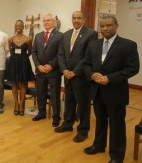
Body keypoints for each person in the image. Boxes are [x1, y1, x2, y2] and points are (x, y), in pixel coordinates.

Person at [83, 15, 139, 163]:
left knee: (117, 125)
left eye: (108, 25)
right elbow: (86, 64)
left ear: (116, 26)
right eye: (102, 26)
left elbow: (133, 68)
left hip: (115, 92)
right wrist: (92, 74)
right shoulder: (93, 44)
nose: (105, 28)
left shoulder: (128, 45)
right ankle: (99, 145)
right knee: (100, 120)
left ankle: (117, 155)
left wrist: (110, 78)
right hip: (97, 91)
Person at [55, 11, 98, 142]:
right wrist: (64, 70)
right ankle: (68, 124)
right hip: (67, 75)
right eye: (74, 18)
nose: (76, 20)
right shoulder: (66, 35)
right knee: (69, 101)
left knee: (83, 105)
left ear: (84, 20)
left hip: (81, 76)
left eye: (79, 18)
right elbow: (60, 54)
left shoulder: (91, 34)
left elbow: (88, 56)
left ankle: (83, 130)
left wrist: (75, 72)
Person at [31, 14, 63, 127]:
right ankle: (41, 113)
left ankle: (56, 117)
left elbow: (60, 54)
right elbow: (34, 52)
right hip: (40, 71)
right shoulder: (38, 35)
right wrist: (38, 65)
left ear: (54, 22)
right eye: (44, 21)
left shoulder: (60, 36)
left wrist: (51, 65)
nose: (46, 22)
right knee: (40, 93)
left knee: (54, 95)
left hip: (53, 71)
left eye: (48, 20)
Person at [7, 20, 33, 116]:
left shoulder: (28, 39)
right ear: (15, 26)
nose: (19, 27)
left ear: (23, 27)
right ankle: (16, 104)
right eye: (17, 25)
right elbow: (11, 51)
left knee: (23, 84)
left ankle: (22, 104)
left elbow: (30, 51)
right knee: (14, 84)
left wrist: (23, 58)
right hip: (13, 63)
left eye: (20, 26)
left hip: (24, 63)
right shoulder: (10, 39)